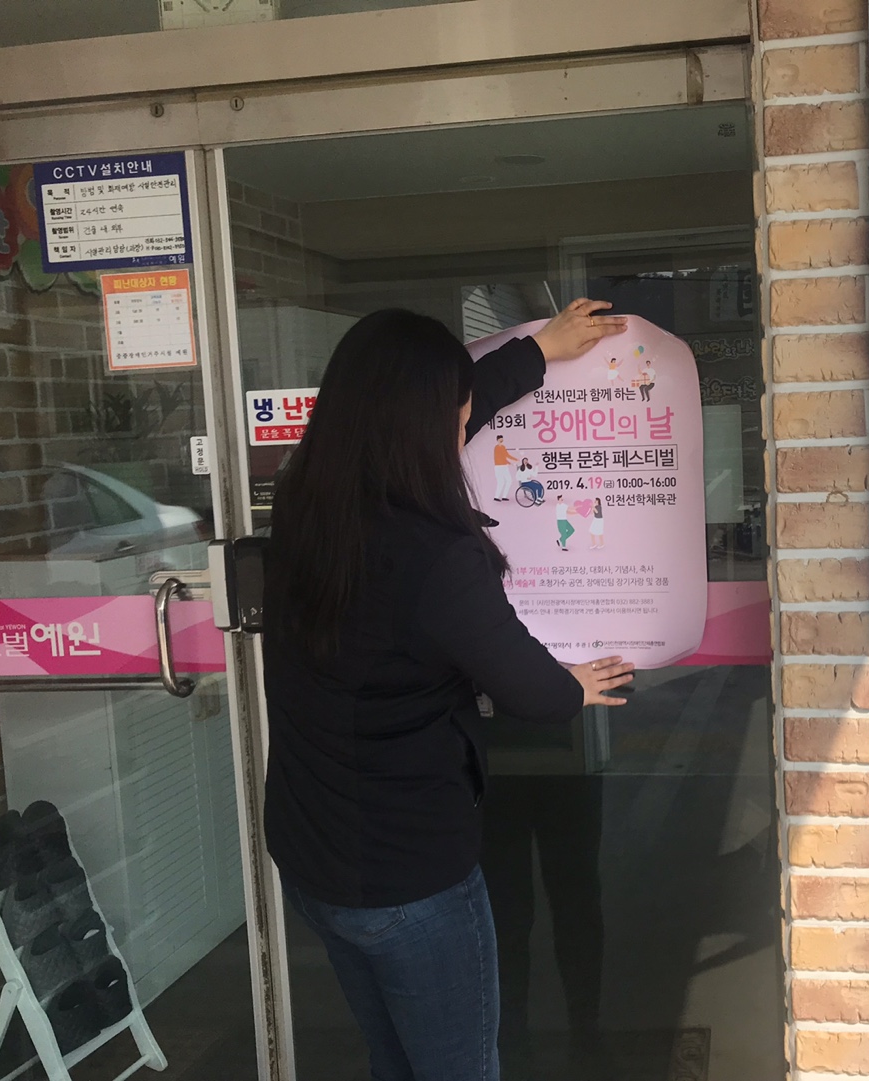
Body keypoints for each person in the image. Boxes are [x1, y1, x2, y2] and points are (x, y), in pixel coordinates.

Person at [262, 299, 635, 1081]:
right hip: (407, 878)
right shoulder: (432, 553)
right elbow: (531, 690)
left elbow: (451, 409)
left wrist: (539, 352)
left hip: (314, 858)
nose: (467, 419)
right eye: (457, 410)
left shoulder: (306, 505)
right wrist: (573, 685)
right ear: (423, 422)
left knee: (395, 1062)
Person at [492, 435, 516, 501]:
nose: (501, 441)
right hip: (499, 467)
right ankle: (496, 496)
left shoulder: (503, 447)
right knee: (501, 482)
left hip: (504, 466)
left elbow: (504, 456)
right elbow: (504, 456)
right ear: (497, 440)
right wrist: (515, 460)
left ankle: (504, 496)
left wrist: (511, 462)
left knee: (509, 480)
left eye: (502, 439)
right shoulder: (496, 448)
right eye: (500, 439)